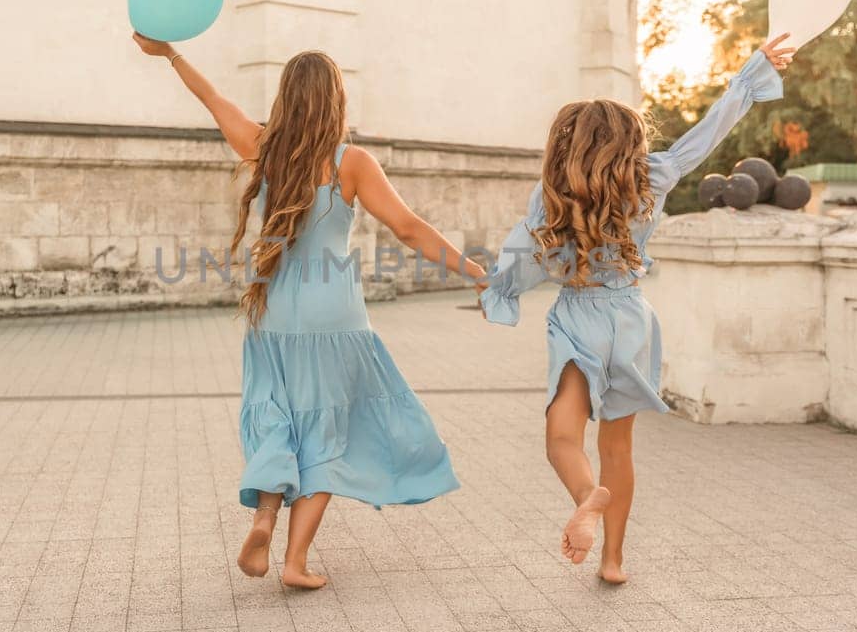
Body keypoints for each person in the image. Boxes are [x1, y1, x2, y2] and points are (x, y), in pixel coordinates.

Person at [133, 36, 484, 589]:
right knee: (326, 434)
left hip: (272, 310)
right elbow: (409, 227)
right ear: (336, 102)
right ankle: (294, 563)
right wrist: (473, 271)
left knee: (277, 416)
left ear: (286, 98)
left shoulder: (263, 147)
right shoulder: (352, 163)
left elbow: (213, 99)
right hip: (334, 318)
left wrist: (171, 55)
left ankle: (265, 516)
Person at [479, 35, 796, 583]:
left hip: (579, 316)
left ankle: (586, 497)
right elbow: (708, 135)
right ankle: (613, 561)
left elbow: (524, 256)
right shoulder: (655, 177)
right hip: (630, 319)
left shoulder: (553, 192)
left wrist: (497, 291)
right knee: (617, 445)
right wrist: (752, 74)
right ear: (630, 140)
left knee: (562, 437)